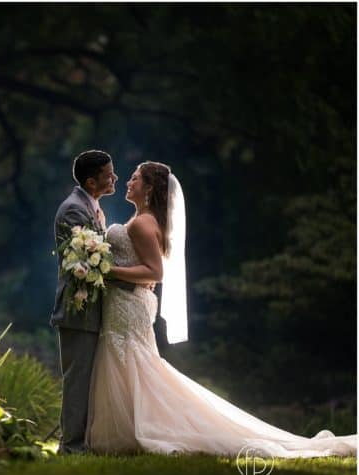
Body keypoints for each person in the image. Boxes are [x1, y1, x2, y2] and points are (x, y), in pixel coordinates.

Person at [85, 161, 356, 457]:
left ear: (149, 188)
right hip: (128, 303)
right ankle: (127, 429)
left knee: (136, 362)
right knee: (133, 363)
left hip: (129, 303)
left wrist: (110, 272)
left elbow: (155, 272)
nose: (128, 182)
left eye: (135, 178)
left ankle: (142, 429)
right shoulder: (145, 221)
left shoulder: (142, 223)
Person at [50, 149, 119, 455]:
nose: (114, 178)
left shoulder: (91, 206)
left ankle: (86, 441)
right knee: (77, 380)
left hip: (93, 308)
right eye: (109, 174)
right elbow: (91, 261)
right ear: (92, 182)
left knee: (89, 380)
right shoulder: (73, 210)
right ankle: (71, 446)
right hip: (79, 309)